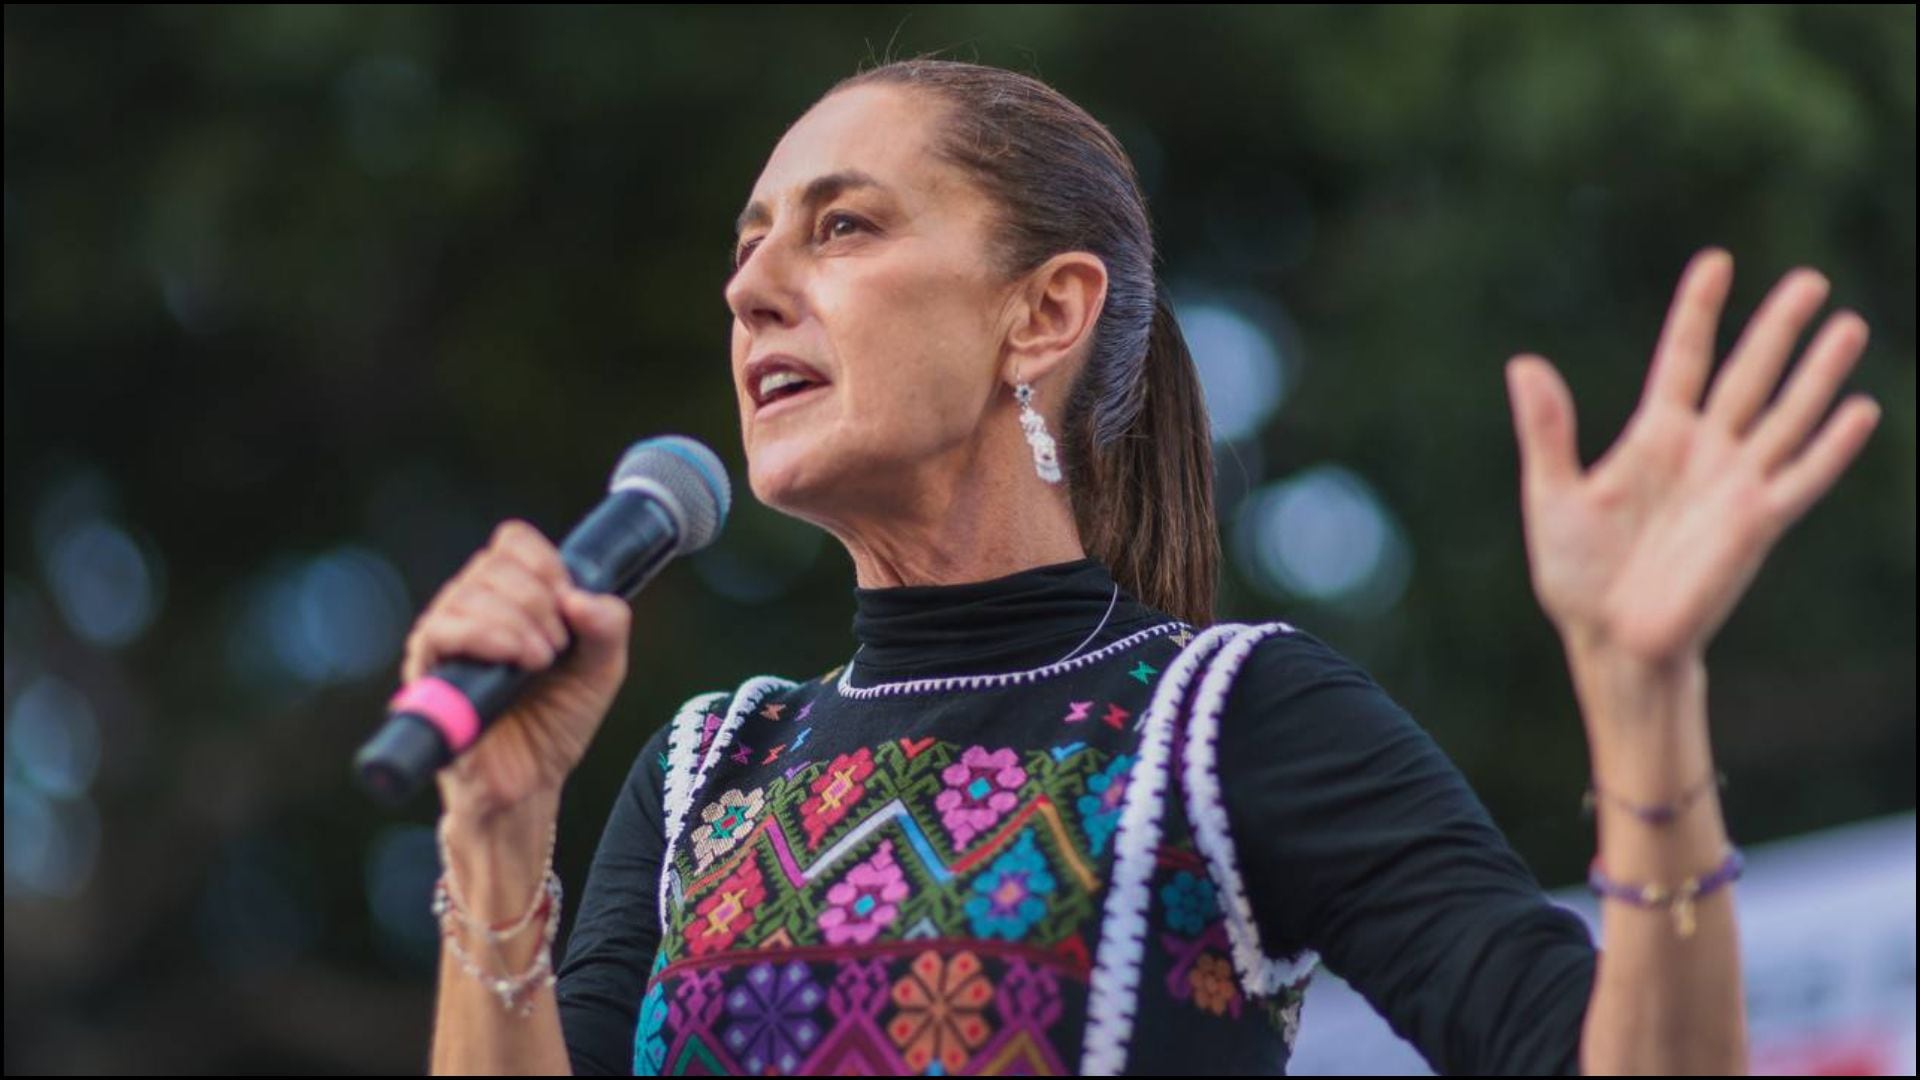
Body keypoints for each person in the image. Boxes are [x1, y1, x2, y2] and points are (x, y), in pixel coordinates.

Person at [416, 58, 1880, 1075]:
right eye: (746, 251)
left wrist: (1643, 704)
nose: (749, 287)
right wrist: (494, 825)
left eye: (841, 225)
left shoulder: (1227, 722)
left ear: (1042, 313)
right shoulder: (700, 777)